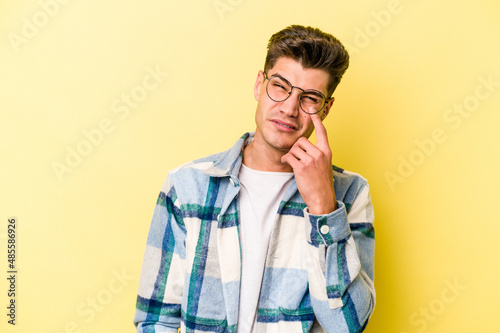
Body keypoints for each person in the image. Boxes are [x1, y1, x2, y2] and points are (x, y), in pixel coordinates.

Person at [133, 25, 375, 333]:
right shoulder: (187, 186)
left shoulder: (351, 192)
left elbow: (347, 326)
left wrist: (324, 208)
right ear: (260, 85)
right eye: (280, 86)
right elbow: (155, 320)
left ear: (325, 110)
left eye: (309, 98)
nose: (289, 108)